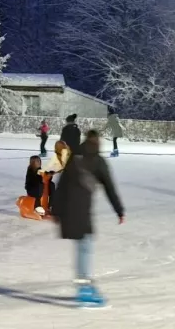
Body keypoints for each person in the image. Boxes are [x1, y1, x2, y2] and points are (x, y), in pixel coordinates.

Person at [50, 131, 125, 307]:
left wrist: (56, 210)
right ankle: (84, 287)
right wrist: (119, 211)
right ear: (98, 143)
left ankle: (83, 284)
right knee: (85, 246)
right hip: (82, 212)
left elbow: (61, 186)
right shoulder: (98, 162)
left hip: (69, 211)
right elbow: (110, 188)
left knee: (83, 246)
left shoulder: (74, 158)